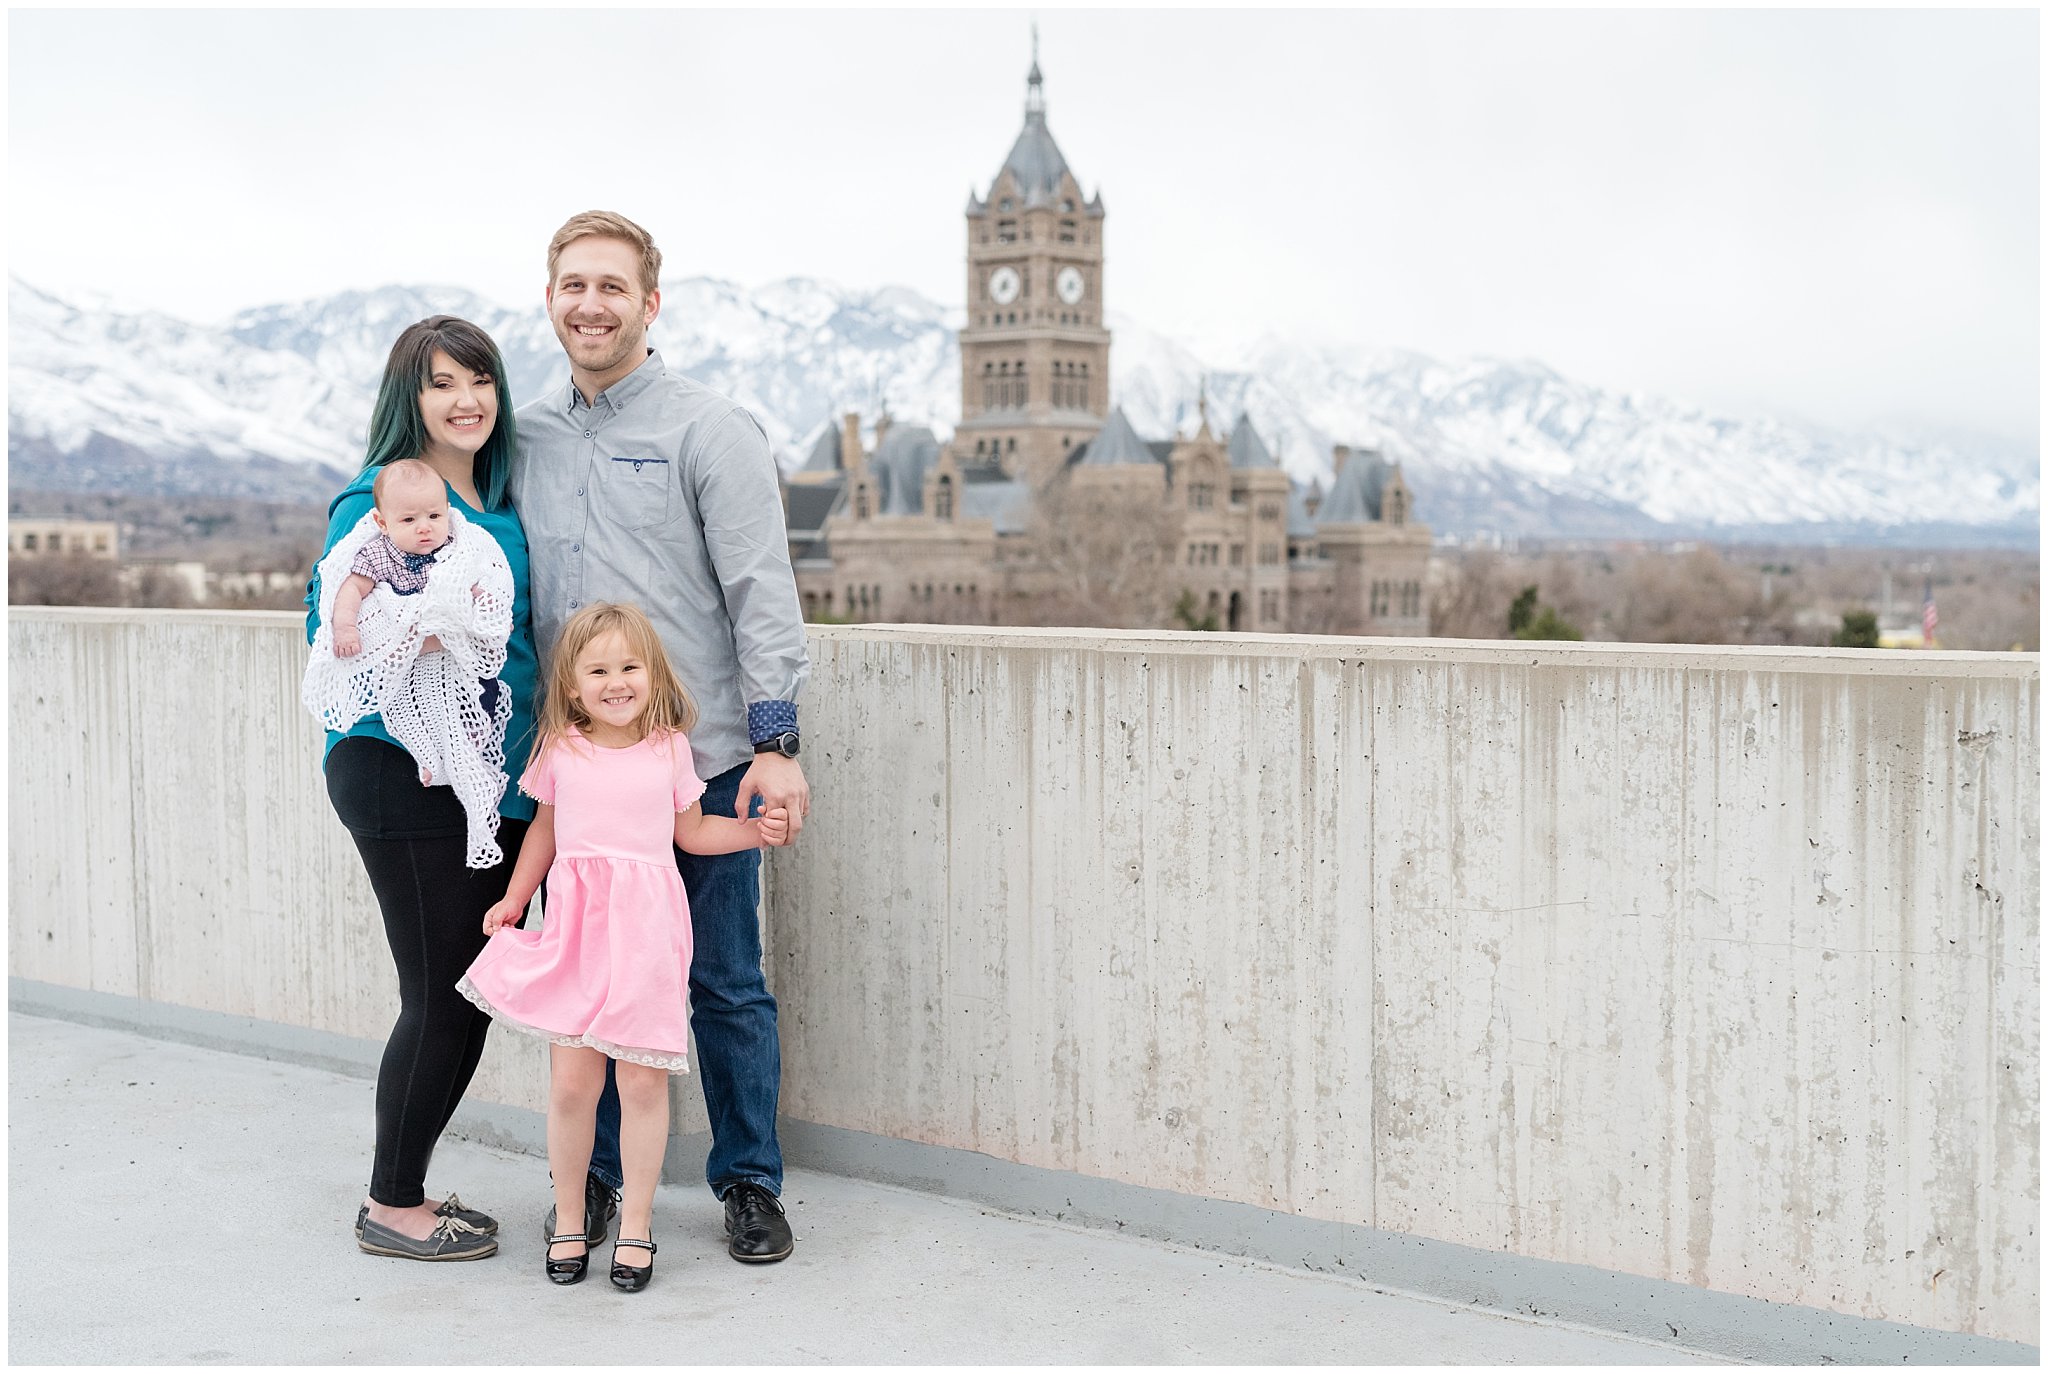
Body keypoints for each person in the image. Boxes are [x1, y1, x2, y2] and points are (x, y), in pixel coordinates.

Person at [513, 210, 812, 1264]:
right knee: (587, 987)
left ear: (648, 302)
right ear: (549, 298)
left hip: (708, 755)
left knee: (723, 981)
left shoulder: (708, 429)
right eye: (571, 285)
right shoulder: (526, 433)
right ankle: (589, 1185)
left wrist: (775, 738)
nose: (589, 303)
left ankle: (747, 1184)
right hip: (583, 771)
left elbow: (759, 590)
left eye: (611, 286)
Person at [459, 603, 791, 1290]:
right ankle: (574, 1215)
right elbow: (545, 834)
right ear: (574, 686)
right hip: (577, 931)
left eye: (630, 666)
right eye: (599, 669)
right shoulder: (560, 746)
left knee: (641, 1081)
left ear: (653, 673)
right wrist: (516, 898)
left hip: (646, 935)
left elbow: (694, 833)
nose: (617, 681)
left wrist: (756, 833)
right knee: (574, 1082)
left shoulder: (671, 746)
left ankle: (637, 1226)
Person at [304, 315, 540, 1261]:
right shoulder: (378, 499)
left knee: (466, 989)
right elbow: (337, 618)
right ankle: (392, 1206)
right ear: (410, 399)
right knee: (440, 994)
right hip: (400, 765)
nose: (465, 399)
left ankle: (406, 1191)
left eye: (479, 378)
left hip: (485, 774)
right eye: (441, 382)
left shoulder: (499, 504)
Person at [302, 456, 517, 866]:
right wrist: (347, 627)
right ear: (383, 523)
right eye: (409, 520)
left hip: (456, 667)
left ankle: (465, 759)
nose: (424, 527)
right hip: (409, 672)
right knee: (415, 713)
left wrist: (482, 615)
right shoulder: (378, 555)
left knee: (479, 703)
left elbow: (479, 590)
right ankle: (429, 761)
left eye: (434, 516)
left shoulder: (457, 548)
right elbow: (349, 592)